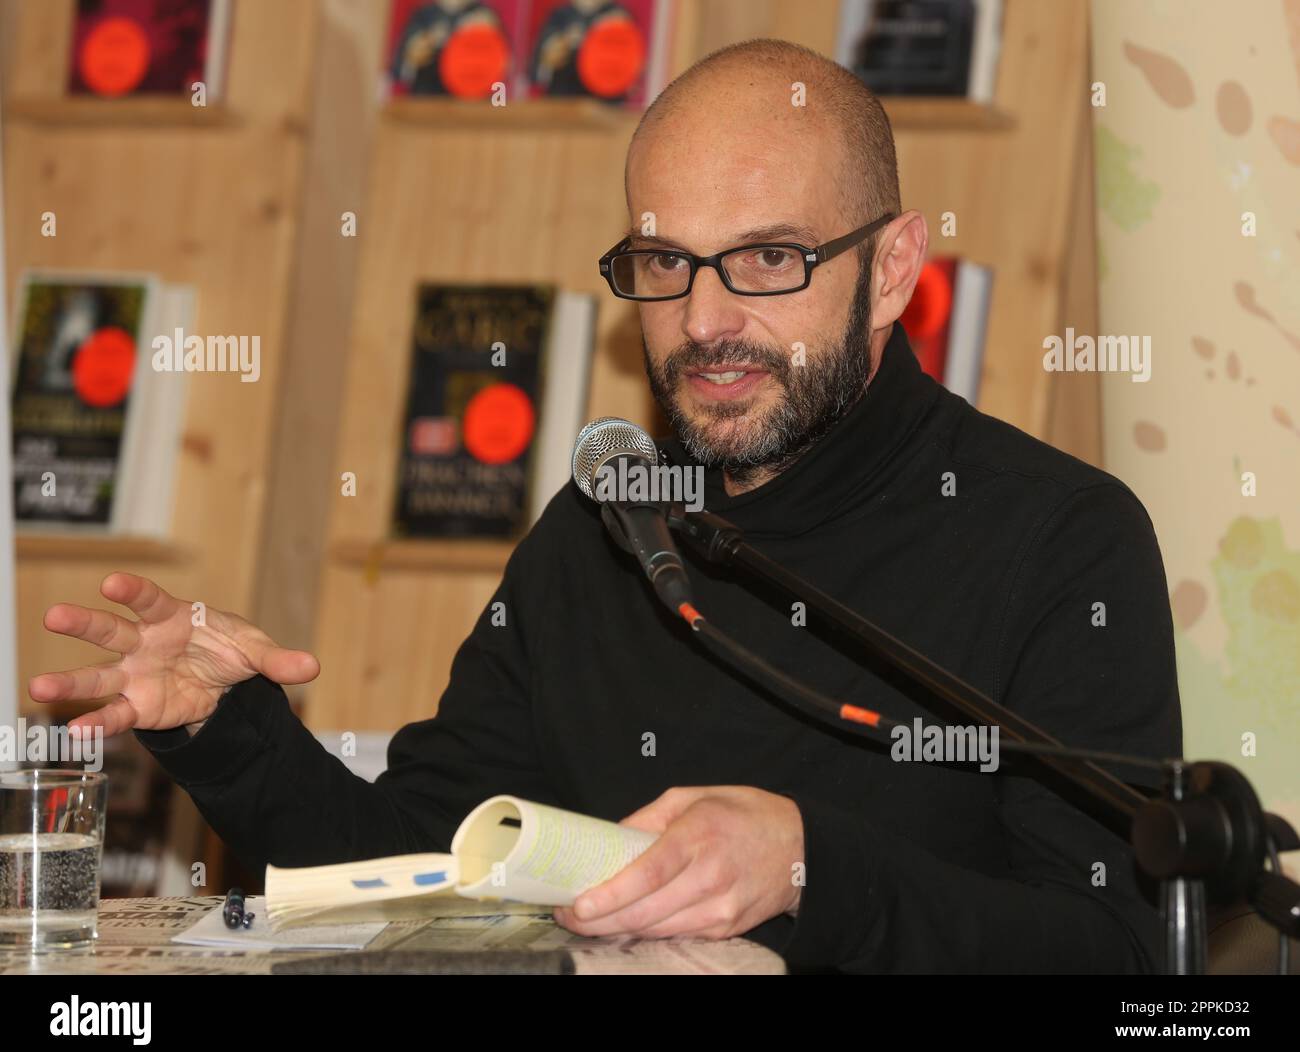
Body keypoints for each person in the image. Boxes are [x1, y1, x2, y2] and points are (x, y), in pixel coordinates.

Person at [30, 38, 1181, 973]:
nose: (707, 318)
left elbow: (1116, 957)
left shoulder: (1061, 537)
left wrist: (809, 870)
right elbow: (419, 863)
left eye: (768, 258)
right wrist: (221, 732)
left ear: (890, 269)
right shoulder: (606, 526)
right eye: (664, 262)